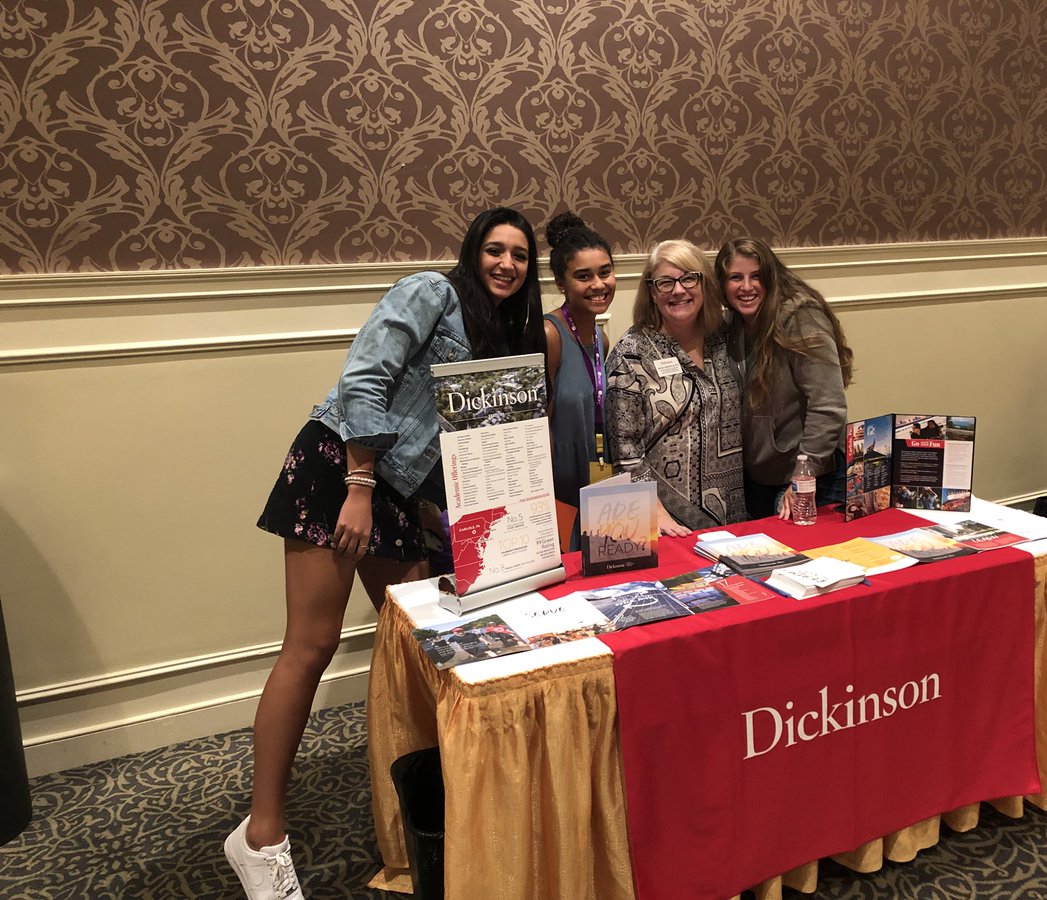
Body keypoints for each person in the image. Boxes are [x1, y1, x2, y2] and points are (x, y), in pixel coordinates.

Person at [224, 207, 545, 900]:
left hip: (397, 492)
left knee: (425, 641)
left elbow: (455, 436)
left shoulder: (503, 329)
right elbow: (367, 376)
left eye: (520, 256)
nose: (506, 265)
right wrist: (360, 487)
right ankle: (260, 836)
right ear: (472, 251)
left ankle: (439, 807)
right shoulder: (430, 290)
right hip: (343, 468)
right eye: (495, 250)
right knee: (310, 645)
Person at [606, 239, 747, 536]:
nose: (679, 290)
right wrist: (653, 511)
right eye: (665, 282)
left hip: (736, 518)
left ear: (704, 284)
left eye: (688, 278)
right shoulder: (631, 353)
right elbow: (624, 450)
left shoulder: (727, 338)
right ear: (652, 292)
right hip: (667, 524)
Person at [716, 238, 854, 520]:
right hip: (759, 482)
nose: (746, 286)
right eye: (735, 277)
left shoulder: (801, 318)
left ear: (772, 277)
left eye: (757, 276)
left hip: (812, 481)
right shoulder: (733, 326)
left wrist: (803, 478)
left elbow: (828, 407)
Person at [542, 211, 617, 550]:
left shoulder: (601, 339)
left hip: (598, 477)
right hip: (559, 489)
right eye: (583, 276)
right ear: (562, 283)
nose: (598, 285)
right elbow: (536, 425)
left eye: (605, 272)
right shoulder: (549, 335)